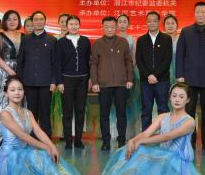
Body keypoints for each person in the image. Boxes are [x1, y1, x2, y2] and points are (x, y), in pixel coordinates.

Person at [96, 82, 205, 175]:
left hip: (177, 162)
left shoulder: (189, 121)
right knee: (133, 149)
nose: (177, 99)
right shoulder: (163, 117)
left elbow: (166, 137)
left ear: (187, 100)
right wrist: (133, 141)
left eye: (181, 97)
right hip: (163, 157)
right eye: (174, 96)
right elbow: (146, 133)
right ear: (170, 97)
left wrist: (140, 141)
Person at [175, 2, 205, 151]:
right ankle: (190, 142)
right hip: (189, 79)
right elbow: (180, 55)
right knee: (189, 112)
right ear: (194, 13)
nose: (200, 14)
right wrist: (179, 74)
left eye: (203, 12)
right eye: (198, 12)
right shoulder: (186, 31)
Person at [90, 16, 134, 150]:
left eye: (112, 27)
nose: (109, 29)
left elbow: (128, 62)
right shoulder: (97, 43)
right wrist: (95, 81)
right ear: (102, 27)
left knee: (121, 113)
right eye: (107, 27)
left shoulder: (123, 42)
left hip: (121, 84)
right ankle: (106, 141)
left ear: (116, 28)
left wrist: (129, 79)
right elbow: (93, 64)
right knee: (104, 114)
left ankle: (122, 141)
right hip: (103, 84)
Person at [17, 11, 60, 137]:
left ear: (45, 21)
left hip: (46, 83)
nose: (39, 22)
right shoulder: (25, 39)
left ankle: (46, 137)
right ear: (32, 22)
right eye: (36, 19)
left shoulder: (52, 40)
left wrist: (54, 81)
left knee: (45, 112)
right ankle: (33, 137)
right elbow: (21, 61)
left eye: (41, 19)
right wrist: (20, 81)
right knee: (31, 112)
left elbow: (55, 63)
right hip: (29, 82)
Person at [0, 10, 23, 148]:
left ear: (18, 21)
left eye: (15, 19)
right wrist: (10, 71)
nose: (12, 22)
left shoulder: (24, 36)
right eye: (9, 19)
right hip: (3, 72)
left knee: (18, 102)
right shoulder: (0, 36)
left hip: (20, 72)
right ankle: (0, 137)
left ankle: (19, 136)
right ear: (5, 22)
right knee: (3, 102)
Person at [56, 15, 91, 149]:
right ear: (67, 26)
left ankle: (78, 139)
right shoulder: (61, 42)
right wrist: (59, 82)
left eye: (76, 24)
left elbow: (89, 61)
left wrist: (90, 78)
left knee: (80, 109)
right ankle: (68, 140)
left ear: (79, 25)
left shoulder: (85, 41)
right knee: (67, 111)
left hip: (83, 79)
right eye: (71, 24)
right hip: (66, 79)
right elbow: (58, 63)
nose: (73, 26)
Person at [135, 11, 173, 132]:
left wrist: (155, 75)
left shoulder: (166, 39)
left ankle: (165, 135)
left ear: (159, 22)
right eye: (149, 21)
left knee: (163, 109)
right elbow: (139, 61)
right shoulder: (141, 40)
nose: (152, 23)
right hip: (145, 81)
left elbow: (167, 60)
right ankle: (146, 136)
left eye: (154, 21)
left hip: (162, 80)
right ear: (146, 22)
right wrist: (148, 75)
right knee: (146, 109)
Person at [164, 14, 181, 82]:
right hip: (164, 74)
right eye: (167, 23)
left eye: (172, 23)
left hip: (179, 73)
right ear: (164, 26)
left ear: (177, 25)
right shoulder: (160, 40)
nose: (170, 26)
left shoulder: (181, 39)